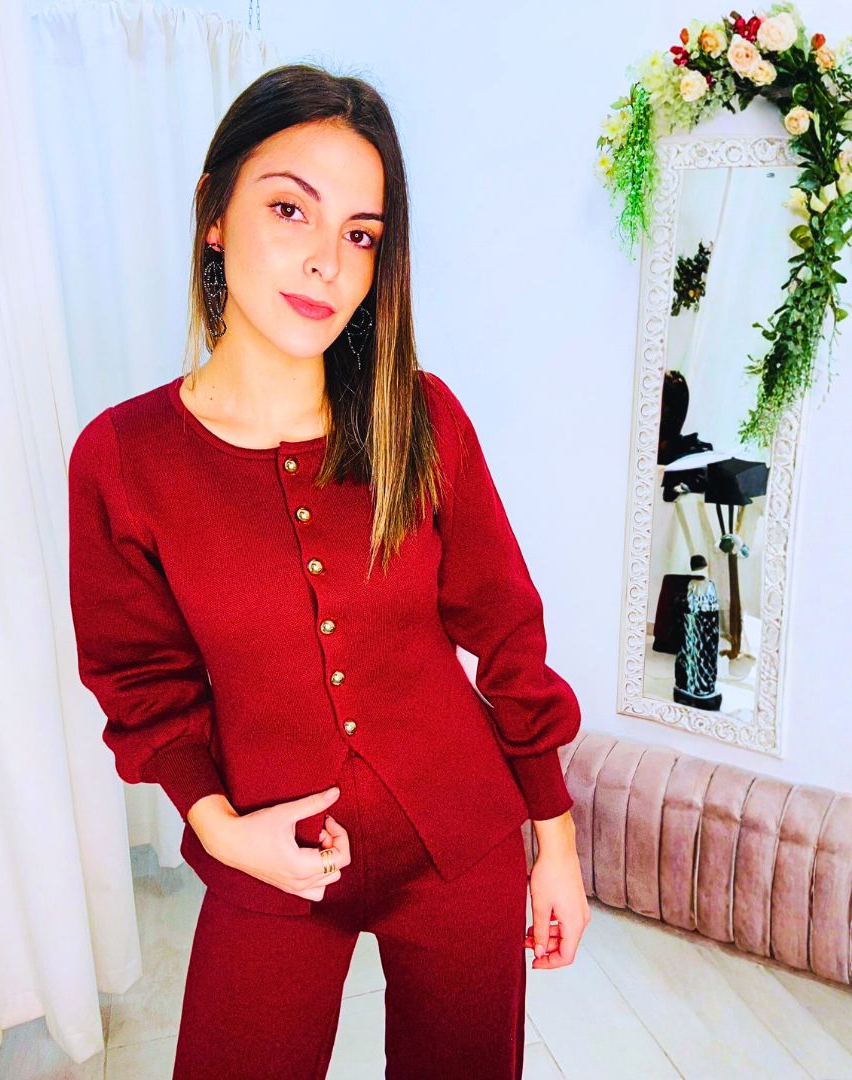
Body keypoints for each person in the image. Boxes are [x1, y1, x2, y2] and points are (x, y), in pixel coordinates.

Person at [68, 63, 590, 1080]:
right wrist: (222, 833)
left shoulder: (420, 418)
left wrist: (556, 848)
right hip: (270, 855)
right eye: (288, 210)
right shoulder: (125, 459)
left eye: (359, 234)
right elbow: (141, 683)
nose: (326, 263)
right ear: (215, 213)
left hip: (463, 843)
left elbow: (508, 635)